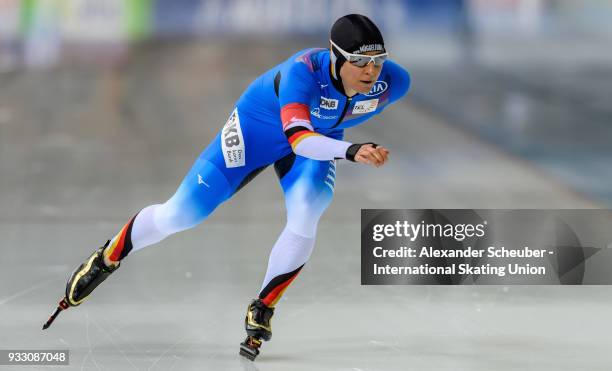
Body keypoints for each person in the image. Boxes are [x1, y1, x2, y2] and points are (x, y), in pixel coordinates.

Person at [42, 14, 411, 361]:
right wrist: (352, 150)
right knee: (183, 213)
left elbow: (323, 129)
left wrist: (341, 141)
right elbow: (299, 140)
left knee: (309, 208)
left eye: (378, 61)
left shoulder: (393, 82)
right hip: (258, 131)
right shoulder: (302, 74)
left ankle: (263, 307)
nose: (371, 71)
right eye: (360, 62)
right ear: (335, 56)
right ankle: (107, 257)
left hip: (319, 139)